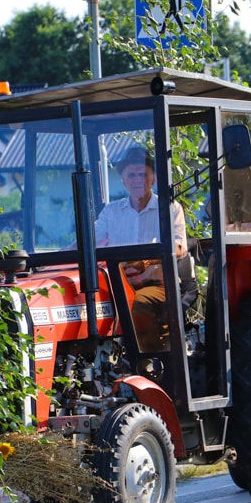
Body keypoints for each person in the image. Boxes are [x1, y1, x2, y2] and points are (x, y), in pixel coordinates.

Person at [95, 147, 189, 352]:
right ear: (123, 180)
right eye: (132, 175)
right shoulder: (111, 212)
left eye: (143, 174)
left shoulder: (170, 208)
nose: (137, 179)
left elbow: (179, 246)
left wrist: (145, 272)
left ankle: (153, 363)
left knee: (139, 303)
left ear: (153, 179)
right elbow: (90, 240)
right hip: (119, 282)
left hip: (158, 282)